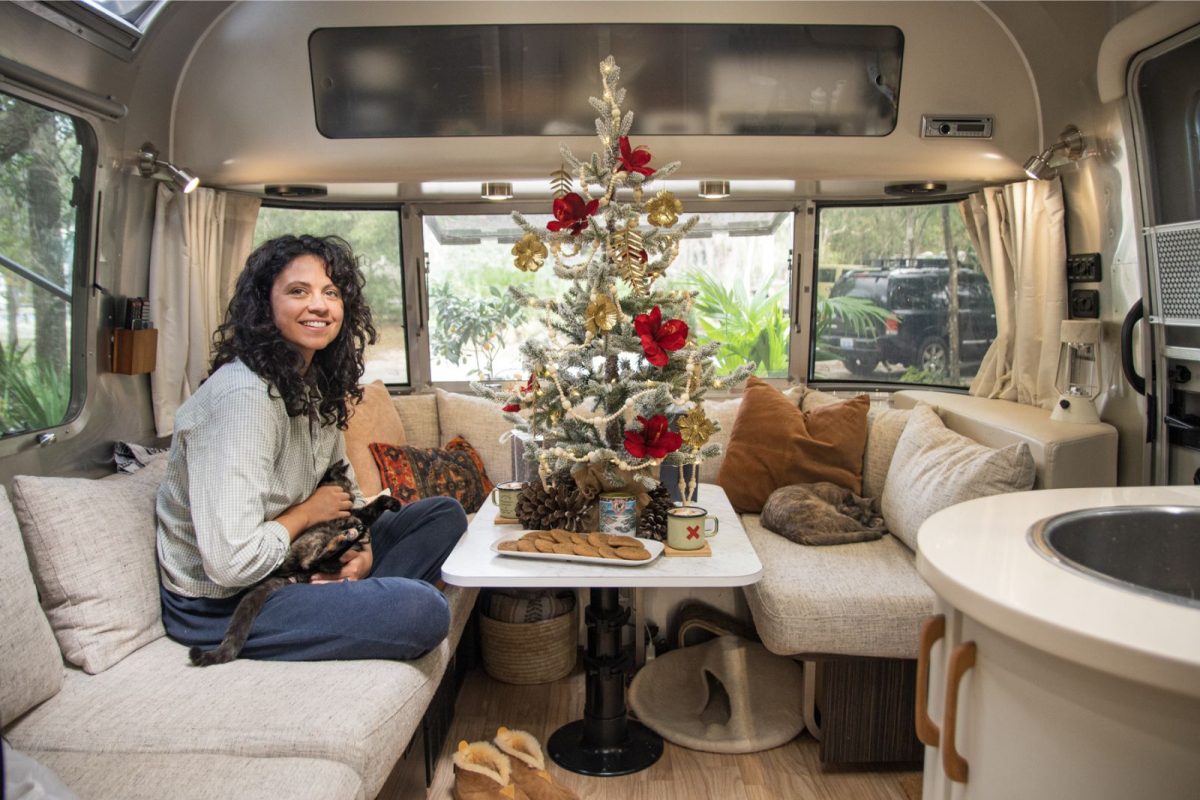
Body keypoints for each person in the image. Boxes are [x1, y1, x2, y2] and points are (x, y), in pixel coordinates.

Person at [155, 234, 465, 661]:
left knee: (443, 514)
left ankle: (348, 592)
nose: (319, 305)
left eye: (331, 292)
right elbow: (229, 564)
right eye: (298, 291)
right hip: (224, 601)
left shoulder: (312, 386)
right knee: (422, 610)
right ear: (264, 304)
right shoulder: (242, 399)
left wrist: (362, 552)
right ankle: (360, 605)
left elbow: (349, 494)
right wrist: (309, 513)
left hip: (301, 560)